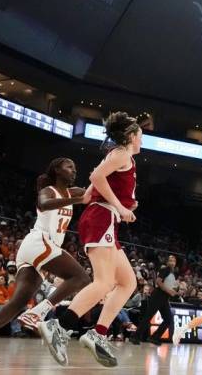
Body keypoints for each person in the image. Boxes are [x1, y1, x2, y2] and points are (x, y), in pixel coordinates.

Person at [0, 158, 92, 361]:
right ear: (56, 170)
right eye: (69, 167)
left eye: (75, 168)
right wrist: (78, 201)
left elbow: (94, 190)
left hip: (35, 249)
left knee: (17, 302)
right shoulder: (48, 191)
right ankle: (38, 312)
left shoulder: (73, 192)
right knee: (81, 278)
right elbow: (45, 204)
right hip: (40, 241)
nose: (74, 171)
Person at [39, 112, 141, 367]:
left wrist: (126, 204)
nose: (142, 139)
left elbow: (105, 184)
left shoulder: (121, 156)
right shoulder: (121, 153)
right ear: (131, 136)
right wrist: (120, 206)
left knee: (127, 283)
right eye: (140, 134)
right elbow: (95, 178)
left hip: (106, 219)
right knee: (104, 282)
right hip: (101, 217)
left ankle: (98, 333)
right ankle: (59, 326)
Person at [132, 255, 178, 345]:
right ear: (167, 262)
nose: (172, 262)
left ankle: (154, 337)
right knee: (148, 316)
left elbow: (168, 285)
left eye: (174, 260)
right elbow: (158, 281)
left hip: (164, 298)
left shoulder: (172, 273)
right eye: (170, 260)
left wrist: (174, 292)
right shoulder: (165, 269)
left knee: (168, 319)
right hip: (158, 296)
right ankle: (135, 336)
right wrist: (169, 291)